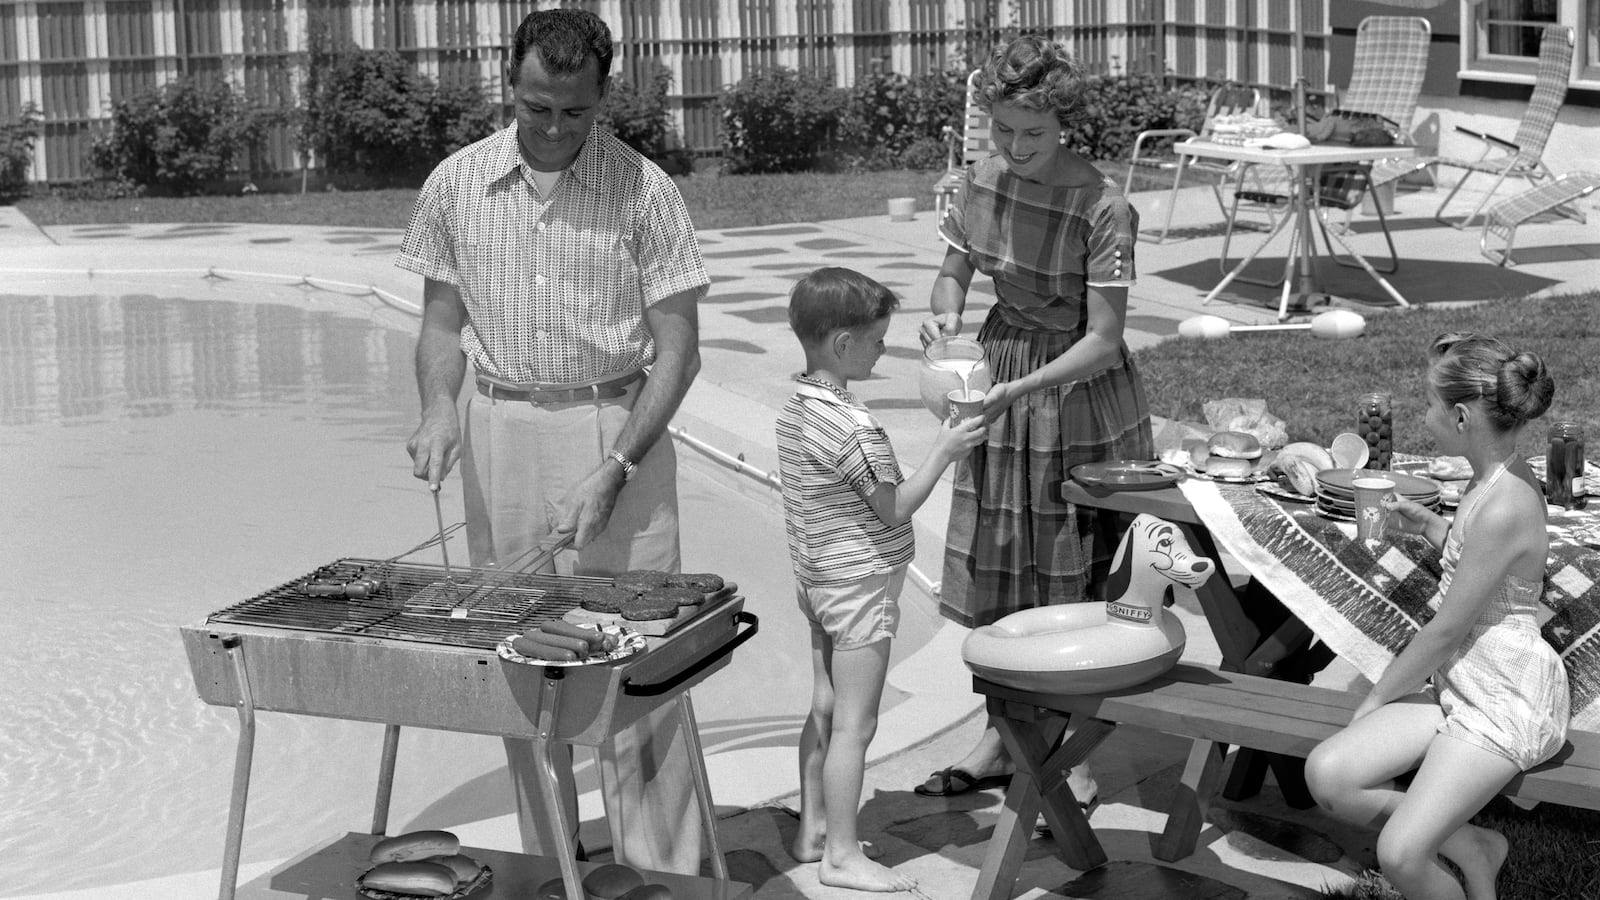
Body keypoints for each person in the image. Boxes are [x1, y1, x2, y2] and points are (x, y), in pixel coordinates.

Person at [396, 8, 710, 875]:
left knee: (637, 656)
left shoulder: (647, 191)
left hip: (616, 427)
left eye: (575, 112)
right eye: (538, 108)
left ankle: (666, 878)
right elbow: (438, 327)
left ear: (603, 97)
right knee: (521, 651)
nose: (555, 128)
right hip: (496, 426)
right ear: (511, 85)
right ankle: (554, 872)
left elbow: (679, 351)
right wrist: (435, 409)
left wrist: (617, 464)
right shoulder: (455, 184)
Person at [913, 36, 1152, 803]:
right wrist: (944, 316)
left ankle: (1070, 755)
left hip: (1075, 393)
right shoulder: (979, 182)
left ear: (1065, 127)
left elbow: (1103, 339)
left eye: (1034, 135)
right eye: (1004, 131)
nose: (1015, 148)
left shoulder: (1104, 206)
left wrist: (1022, 390)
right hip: (1002, 377)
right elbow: (952, 274)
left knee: (1070, 570)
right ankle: (999, 736)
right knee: (1003, 559)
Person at [1305, 333, 1569, 900]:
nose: (1424, 417)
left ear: (1460, 416)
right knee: (1329, 776)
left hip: (1504, 697)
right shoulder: (1488, 477)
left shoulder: (1506, 501)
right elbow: (1482, 560)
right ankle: (1474, 846)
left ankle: (1451, 853)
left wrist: (1374, 702)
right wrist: (1427, 523)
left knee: (1399, 854)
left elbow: (1446, 628)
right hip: (1461, 679)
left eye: (1428, 405)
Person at [777, 268, 986, 891]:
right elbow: (893, 508)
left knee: (824, 706)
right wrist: (944, 452)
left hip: (818, 579)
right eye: (876, 340)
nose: (883, 349)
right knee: (856, 725)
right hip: (860, 587)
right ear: (843, 344)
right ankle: (842, 856)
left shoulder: (798, 408)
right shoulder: (854, 426)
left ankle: (813, 828)